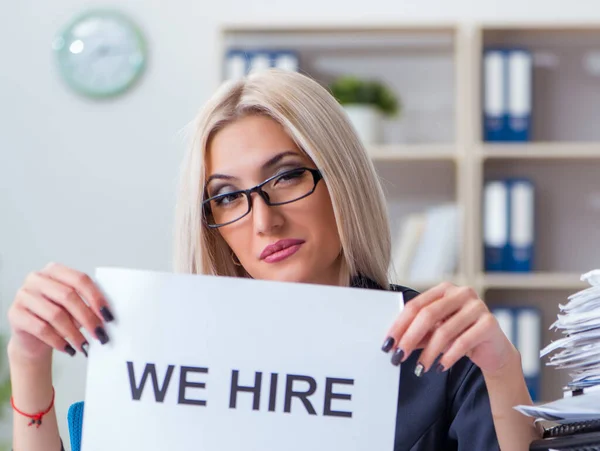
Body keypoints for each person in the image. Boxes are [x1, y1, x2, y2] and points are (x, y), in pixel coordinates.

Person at [7, 68, 539, 451]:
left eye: (285, 176)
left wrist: (502, 370)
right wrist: (29, 364)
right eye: (227, 196)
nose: (263, 221)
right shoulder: (170, 349)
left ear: (341, 180)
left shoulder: (440, 349)